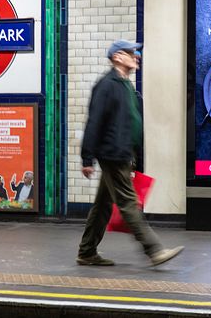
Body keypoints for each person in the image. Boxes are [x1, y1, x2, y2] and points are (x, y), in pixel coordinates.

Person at [77, 39, 183, 267]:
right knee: (127, 203)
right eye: (131, 53)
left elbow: (132, 124)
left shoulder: (126, 87)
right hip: (112, 154)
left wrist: (137, 157)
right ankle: (154, 250)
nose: (137, 57)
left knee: (103, 205)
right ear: (117, 57)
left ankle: (86, 251)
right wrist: (87, 157)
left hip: (123, 154)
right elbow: (94, 122)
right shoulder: (106, 85)